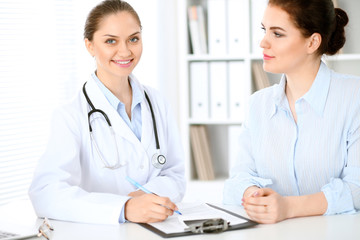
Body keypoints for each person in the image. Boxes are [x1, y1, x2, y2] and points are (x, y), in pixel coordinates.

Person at [29, 0, 185, 225]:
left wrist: (144, 197)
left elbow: (175, 174)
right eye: (111, 41)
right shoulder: (70, 116)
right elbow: (45, 193)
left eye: (134, 39)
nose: (125, 51)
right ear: (90, 45)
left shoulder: (157, 102)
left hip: (156, 228)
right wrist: (124, 208)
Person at [223, 0, 360, 224]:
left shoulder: (354, 97)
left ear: (312, 42)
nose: (263, 43)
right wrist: (253, 195)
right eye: (264, 30)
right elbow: (237, 181)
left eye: (277, 34)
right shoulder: (257, 105)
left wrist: (288, 207)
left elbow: (357, 189)